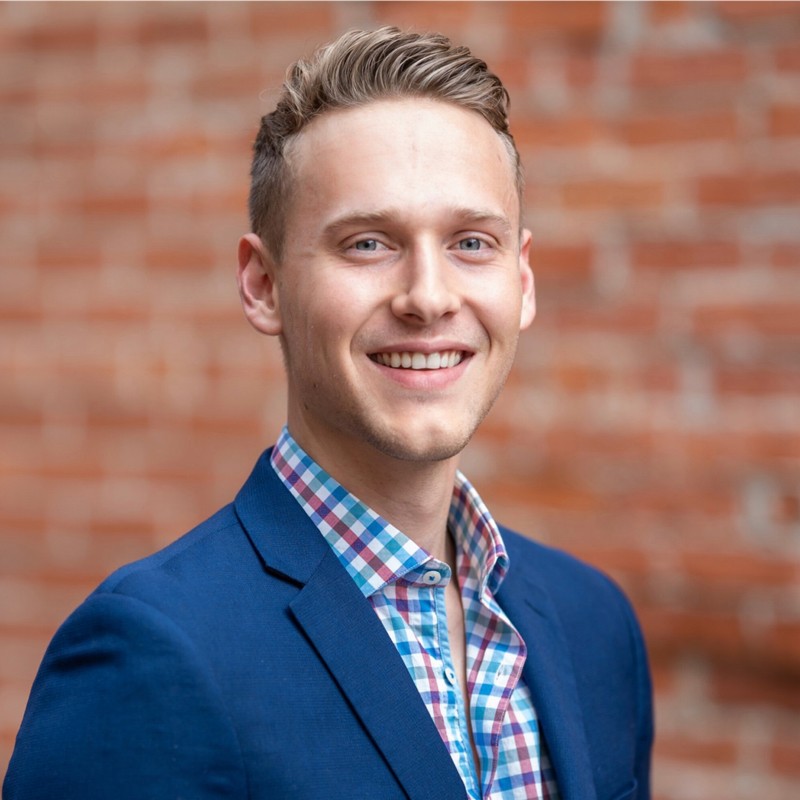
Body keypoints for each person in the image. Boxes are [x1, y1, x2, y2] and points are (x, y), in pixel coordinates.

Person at [4, 27, 653, 800]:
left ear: (523, 280)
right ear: (263, 285)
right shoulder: (152, 653)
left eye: (471, 243)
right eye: (368, 243)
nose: (428, 297)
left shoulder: (594, 623)